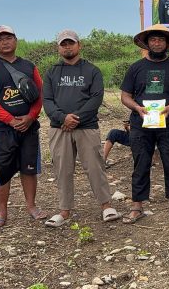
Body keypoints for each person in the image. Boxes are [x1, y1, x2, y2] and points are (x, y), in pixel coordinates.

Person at [42, 30, 120, 227]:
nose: (67, 47)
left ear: (79, 45)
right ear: (58, 47)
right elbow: (47, 100)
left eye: (71, 43)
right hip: (59, 128)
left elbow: (96, 98)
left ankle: (106, 205)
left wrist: (75, 119)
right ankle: (64, 210)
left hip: (86, 127)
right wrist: (62, 118)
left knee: (95, 166)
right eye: (63, 44)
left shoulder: (91, 70)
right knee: (62, 169)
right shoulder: (52, 72)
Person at [0, 25, 47, 227]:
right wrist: (9, 119)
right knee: (1, 171)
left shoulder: (29, 66)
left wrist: (31, 116)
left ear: (16, 40)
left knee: (29, 168)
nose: (5, 42)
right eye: (0, 39)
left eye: (8, 37)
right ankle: (2, 212)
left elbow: (39, 93)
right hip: (1, 130)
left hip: (29, 127)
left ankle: (32, 206)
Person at [120, 24, 169, 223]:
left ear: (168, 44)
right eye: (153, 39)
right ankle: (137, 205)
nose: (157, 43)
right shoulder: (136, 68)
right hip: (140, 123)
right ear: (147, 43)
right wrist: (137, 108)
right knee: (141, 161)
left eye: (161, 39)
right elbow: (125, 96)